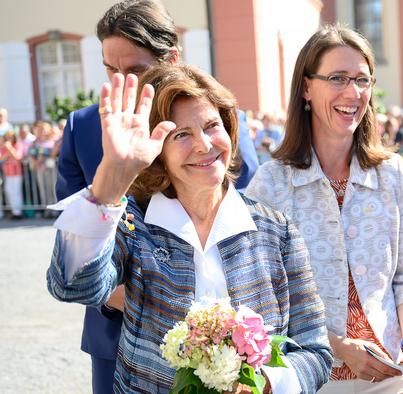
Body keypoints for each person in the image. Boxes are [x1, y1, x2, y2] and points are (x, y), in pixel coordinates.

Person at [47, 65, 332, 393]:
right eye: (181, 134)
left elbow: (315, 351)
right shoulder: (133, 225)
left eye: (212, 126)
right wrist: (107, 185)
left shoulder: (276, 230)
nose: (203, 145)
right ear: (158, 153)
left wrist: (266, 382)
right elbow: (71, 286)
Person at [54, 1, 259, 391]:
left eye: (135, 71)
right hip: (115, 332)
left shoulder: (221, 118)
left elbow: (249, 219)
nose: (121, 84)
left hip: (217, 336)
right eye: (111, 70)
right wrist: (134, 302)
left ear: (172, 58)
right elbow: (71, 237)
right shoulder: (83, 126)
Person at [246, 25, 403, 393]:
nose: (353, 93)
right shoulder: (271, 185)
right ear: (306, 87)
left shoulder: (394, 175)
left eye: (362, 80)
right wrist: (337, 347)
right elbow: (263, 297)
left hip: (393, 372)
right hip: (310, 375)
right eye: (337, 78)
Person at [1, 130, 24, 219]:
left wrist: (10, 148)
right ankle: (13, 210)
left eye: (10, 137)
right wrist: (7, 149)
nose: (8, 139)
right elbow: (2, 158)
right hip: (8, 173)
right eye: (7, 137)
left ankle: (17, 212)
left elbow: (18, 157)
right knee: (8, 191)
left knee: (16, 192)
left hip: (17, 172)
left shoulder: (17, 145)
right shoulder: (4, 147)